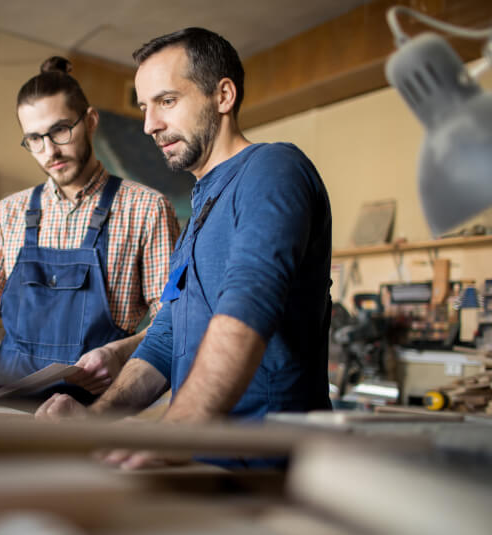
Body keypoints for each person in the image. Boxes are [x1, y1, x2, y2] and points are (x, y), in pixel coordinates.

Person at [35, 28, 333, 468]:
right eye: (144, 107)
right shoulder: (201, 211)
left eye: (167, 101)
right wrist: (92, 422)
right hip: (200, 462)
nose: (149, 124)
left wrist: (171, 433)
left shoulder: (272, 169)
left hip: (265, 470)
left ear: (224, 96)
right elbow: (165, 339)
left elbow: (247, 310)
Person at [0, 57, 180, 403]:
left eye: (60, 131)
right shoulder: (9, 213)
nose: (49, 151)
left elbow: (171, 321)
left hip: (92, 408)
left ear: (91, 121)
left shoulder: (146, 208)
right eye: (34, 139)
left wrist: (119, 353)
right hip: (0, 398)